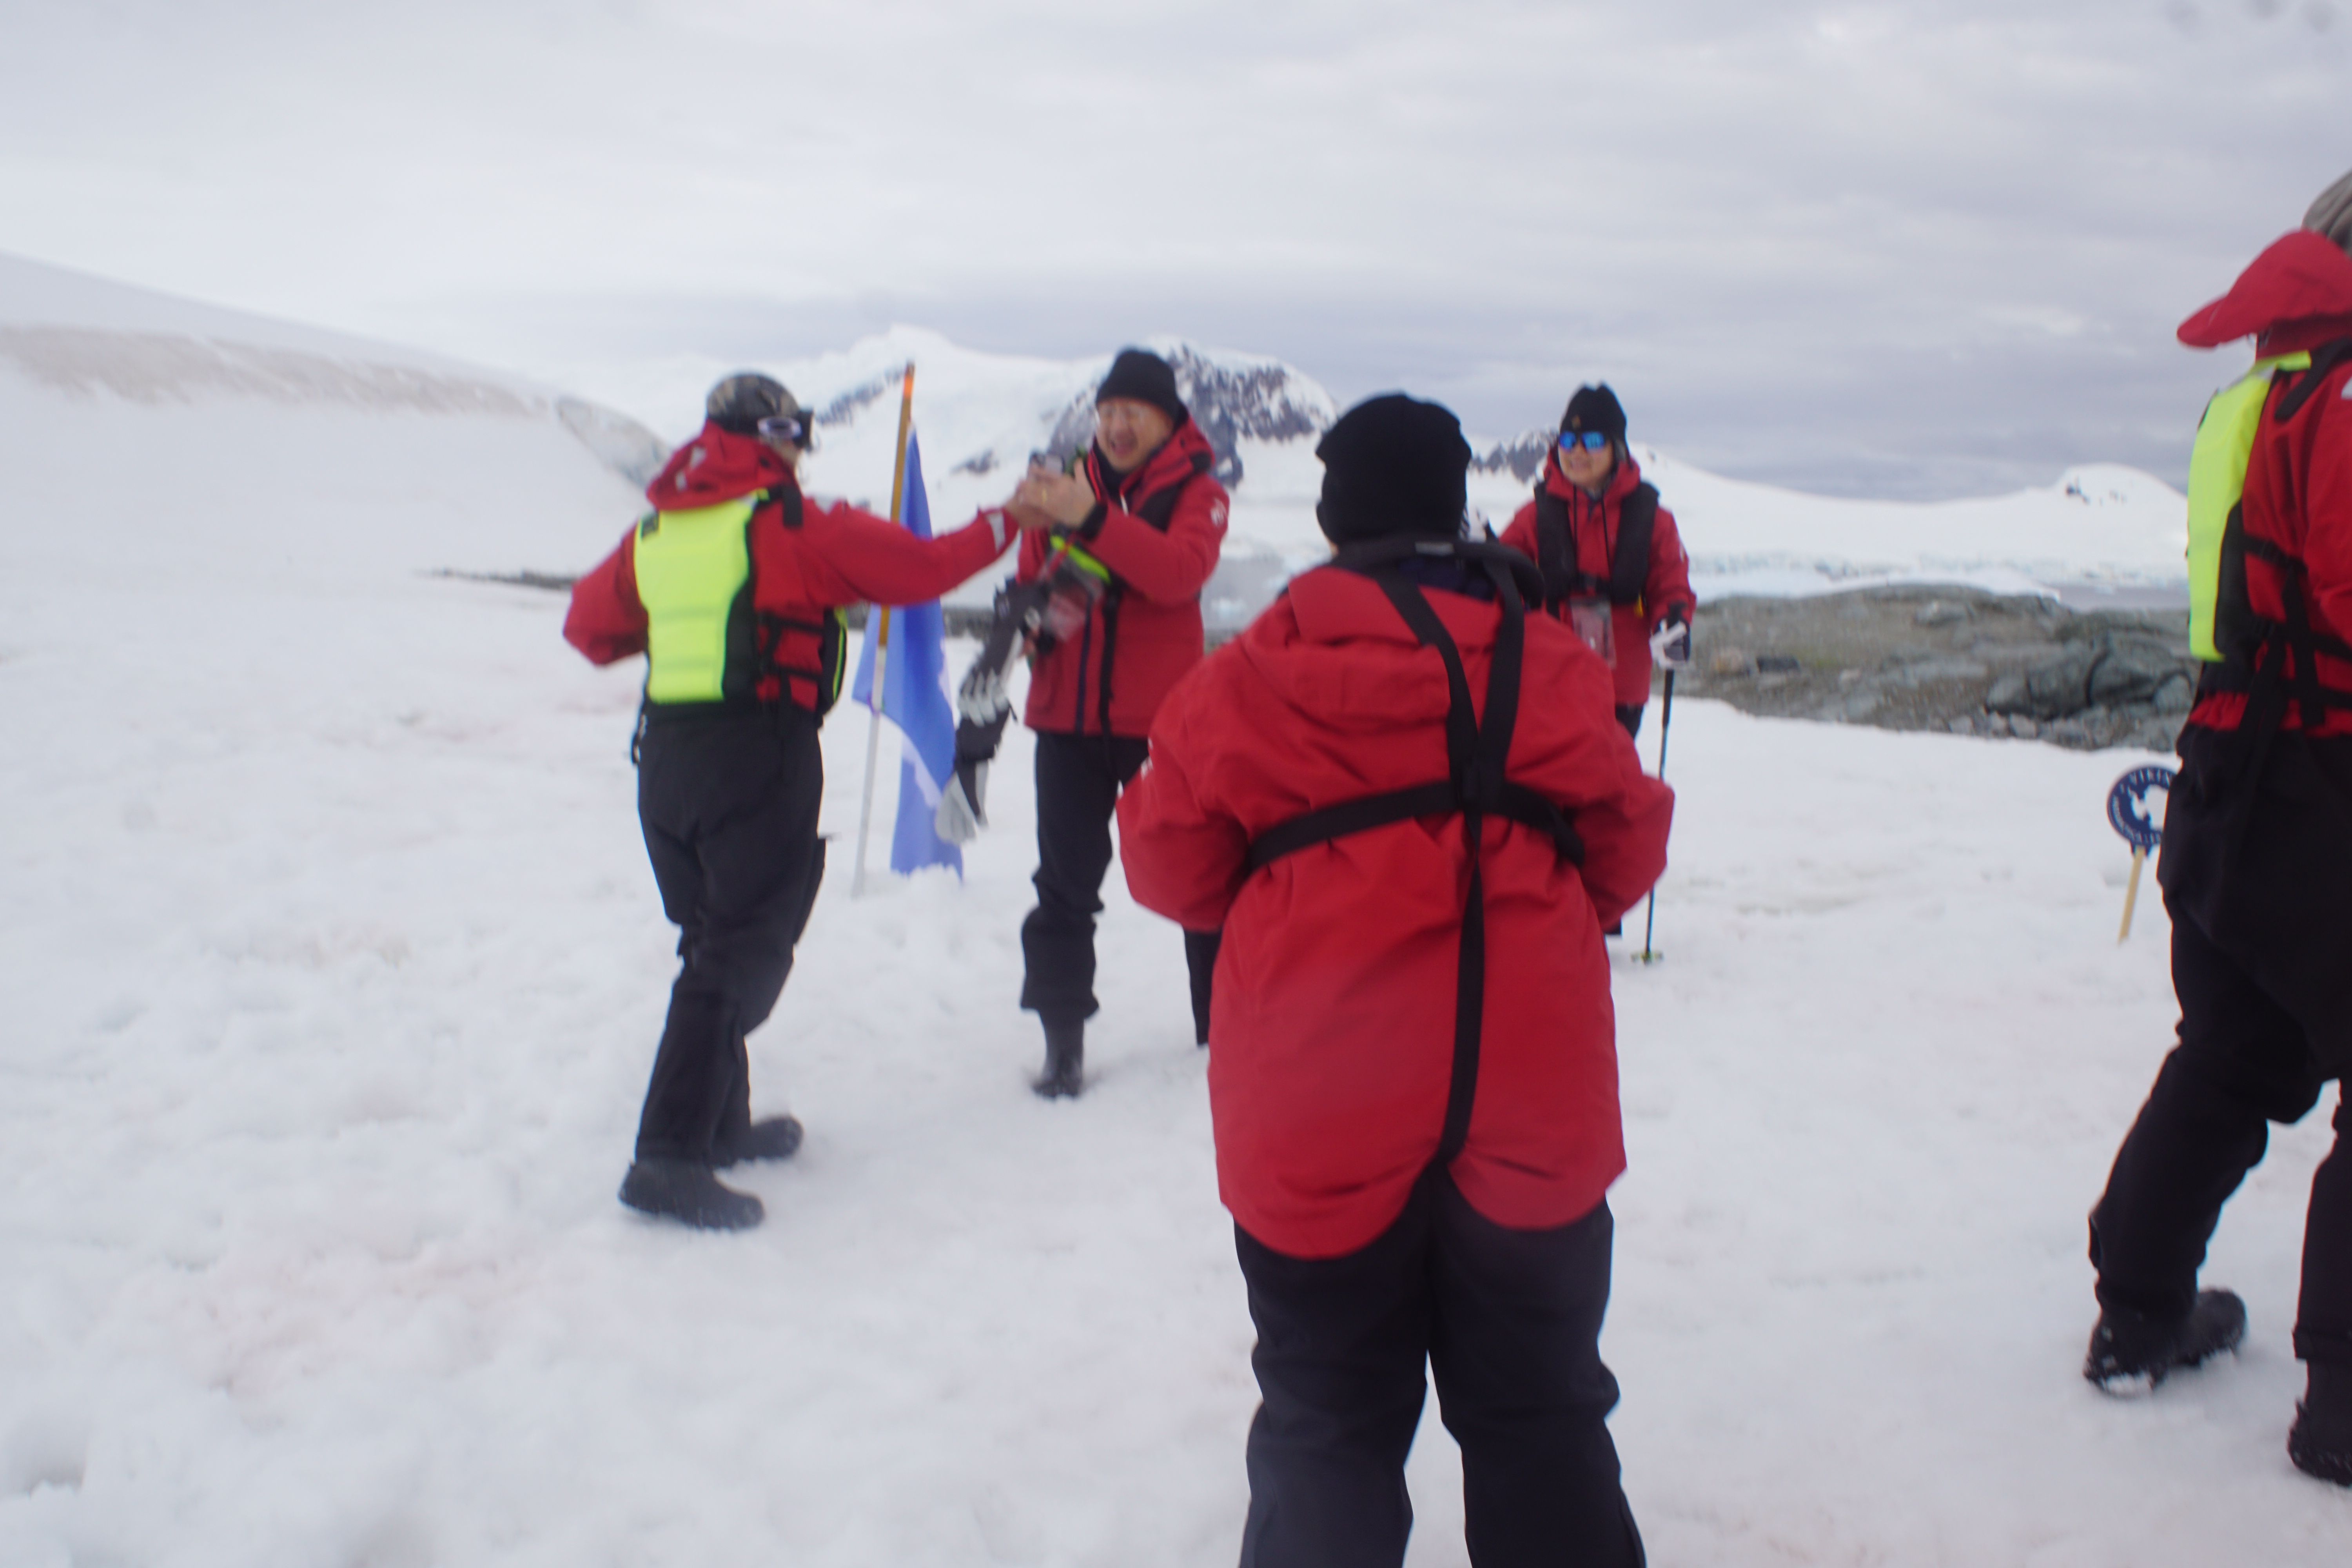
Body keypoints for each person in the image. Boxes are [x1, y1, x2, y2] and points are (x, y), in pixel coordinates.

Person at [1118, 394, 1672, 1565]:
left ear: (1335, 517)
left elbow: (1167, 866)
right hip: (1529, 1094)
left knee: (1326, 1417)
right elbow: (1625, 842)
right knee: (1540, 1410)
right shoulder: (1551, 663)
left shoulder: (1253, 670)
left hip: (1319, 1097)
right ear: (1453, 509)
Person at [563, 372, 1046, 1230]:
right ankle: (667, 1155)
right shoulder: (792, 524)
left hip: (667, 760)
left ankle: (720, 1124)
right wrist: (1011, 519)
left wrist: (699, 626)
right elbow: (927, 567)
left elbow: (590, 630)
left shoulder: (657, 529)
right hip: (757, 755)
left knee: (711, 938)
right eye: (798, 435)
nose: (802, 453)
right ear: (775, 438)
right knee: (738, 949)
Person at [2082, 183, 2352, 1488]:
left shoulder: (2255, 396)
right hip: (2327, 789)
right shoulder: (2343, 400)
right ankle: (2344, 1406)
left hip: (2230, 779)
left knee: (2233, 1053)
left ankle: (2135, 1314)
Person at [1002, 348, 1229, 1098]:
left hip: (1163, 726)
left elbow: (1178, 574)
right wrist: (1020, 631)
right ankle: (1062, 1047)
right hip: (1065, 720)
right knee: (1063, 886)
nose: (1116, 426)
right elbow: (1032, 579)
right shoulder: (1063, 483)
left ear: (1168, 421)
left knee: (1201, 872)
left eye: (1132, 412)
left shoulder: (1199, 491)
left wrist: (1089, 518)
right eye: (1106, 413)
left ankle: (1222, 1029)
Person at [1497, 383, 1695, 740]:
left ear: (1617, 448)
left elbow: (1671, 582)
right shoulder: (1534, 516)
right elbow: (1501, 572)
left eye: (1592, 441)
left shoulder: (1653, 518)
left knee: (1611, 769)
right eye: (1568, 441)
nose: (1577, 452)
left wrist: (1673, 621)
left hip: (1620, 689)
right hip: (1549, 676)